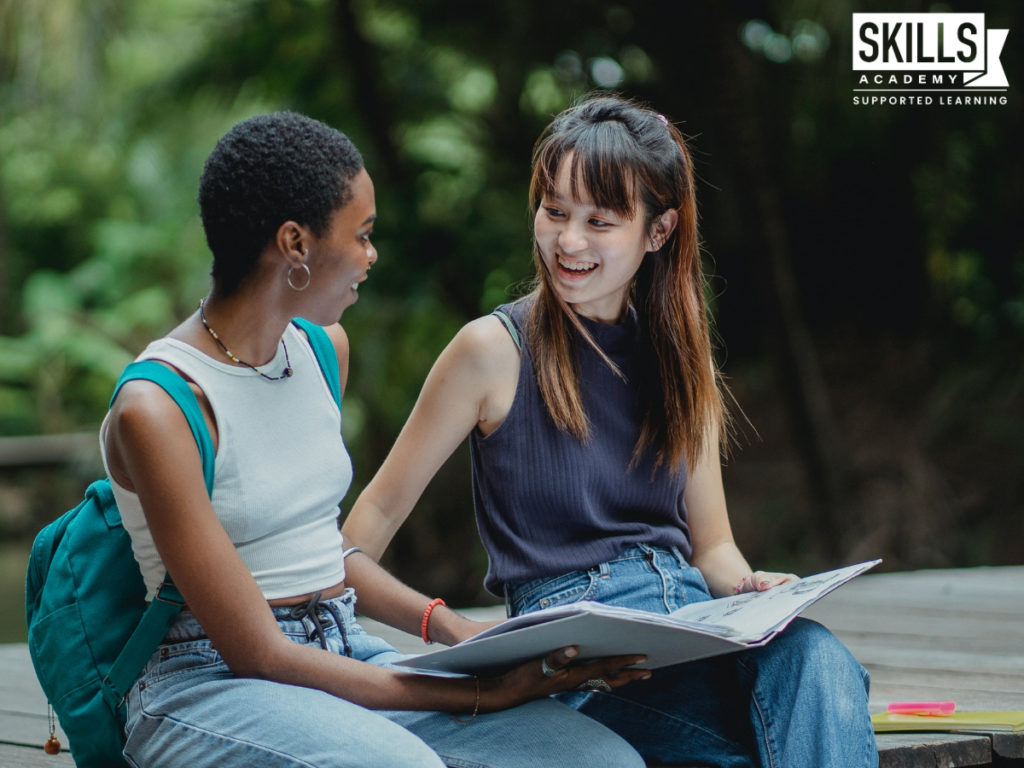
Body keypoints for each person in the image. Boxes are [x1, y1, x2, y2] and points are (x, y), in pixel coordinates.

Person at [99, 110, 651, 768]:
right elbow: (259, 653)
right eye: (361, 235)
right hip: (204, 682)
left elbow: (319, 549)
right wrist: (479, 692)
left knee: (598, 760)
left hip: (341, 644)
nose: (372, 255)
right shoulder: (159, 407)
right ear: (295, 245)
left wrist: (453, 629)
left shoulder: (320, 350)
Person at [342, 94, 879, 768]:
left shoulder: (682, 358)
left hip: (688, 635)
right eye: (555, 211)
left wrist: (751, 594)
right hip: (580, 668)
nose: (569, 240)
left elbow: (712, 549)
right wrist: (445, 627)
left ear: (658, 232)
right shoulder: (492, 350)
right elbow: (355, 542)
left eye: (601, 221)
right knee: (774, 737)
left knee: (815, 657)